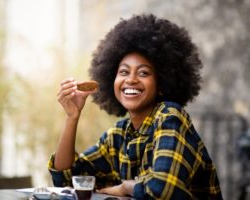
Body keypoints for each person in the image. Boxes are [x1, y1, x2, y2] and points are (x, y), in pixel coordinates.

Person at [48, 14, 223, 199]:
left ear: (162, 84)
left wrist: (126, 187)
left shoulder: (170, 117)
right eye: (123, 71)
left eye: (143, 72)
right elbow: (67, 180)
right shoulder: (118, 135)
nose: (131, 79)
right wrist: (72, 117)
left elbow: (163, 191)